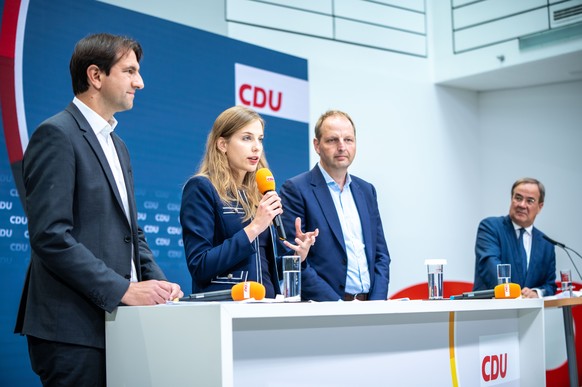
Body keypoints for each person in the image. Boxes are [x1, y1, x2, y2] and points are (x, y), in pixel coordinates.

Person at [14, 33, 183, 386]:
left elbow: (131, 232)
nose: (140, 82)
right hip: (71, 331)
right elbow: (50, 237)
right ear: (96, 76)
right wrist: (123, 290)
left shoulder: (117, 144)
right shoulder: (56, 134)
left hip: (117, 327)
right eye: (130, 71)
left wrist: (158, 283)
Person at [180, 105, 318, 298]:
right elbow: (200, 265)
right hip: (228, 306)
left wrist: (297, 256)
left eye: (260, 139)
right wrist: (255, 227)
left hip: (266, 304)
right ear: (222, 144)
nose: (256, 147)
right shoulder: (202, 187)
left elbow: (264, 268)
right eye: (247, 138)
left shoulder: (256, 193)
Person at [279, 110, 391, 301]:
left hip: (370, 306)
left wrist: (377, 302)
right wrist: (336, 305)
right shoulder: (296, 189)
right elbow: (293, 259)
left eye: (348, 140)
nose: (341, 147)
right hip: (324, 309)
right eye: (332, 140)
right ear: (317, 145)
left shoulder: (366, 191)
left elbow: (380, 256)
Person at [473, 177, 557, 298]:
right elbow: (491, 269)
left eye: (530, 201)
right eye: (518, 198)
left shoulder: (546, 243)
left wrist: (536, 293)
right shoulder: (490, 227)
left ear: (540, 206)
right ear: (511, 199)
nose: (522, 205)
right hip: (491, 311)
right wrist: (517, 294)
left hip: (530, 315)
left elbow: (550, 286)